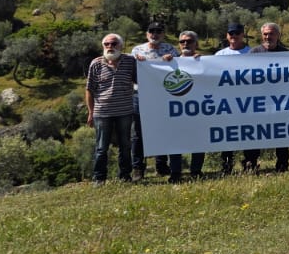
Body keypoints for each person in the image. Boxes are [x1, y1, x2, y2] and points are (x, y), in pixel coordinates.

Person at [86, 33, 138, 184]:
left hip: (125, 111)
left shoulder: (130, 61)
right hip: (102, 113)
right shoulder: (95, 63)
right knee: (101, 148)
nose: (110, 47)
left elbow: (140, 78)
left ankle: (125, 176)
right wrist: (90, 112)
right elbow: (89, 89)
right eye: (107, 44)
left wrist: (143, 62)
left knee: (125, 145)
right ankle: (99, 178)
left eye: (114, 44)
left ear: (121, 46)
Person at [130, 21, 179, 181]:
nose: (155, 34)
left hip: (164, 96)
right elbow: (129, 70)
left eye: (158, 31)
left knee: (164, 129)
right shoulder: (137, 50)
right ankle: (138, 168)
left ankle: (161, 165)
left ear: (163, 34)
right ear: (147, 34)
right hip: (141, 96)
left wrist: (173, 60)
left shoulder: (170, 49)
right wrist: (136, 61)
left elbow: (182, 67)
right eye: (152, 31)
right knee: (138, 133)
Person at [250, 21, 289, 172]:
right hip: (258, 103)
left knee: (281, 134)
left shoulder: (286, 54)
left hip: (280, 103)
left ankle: (282, 165)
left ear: (278, 35)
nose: (268, 36)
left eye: (271, 33)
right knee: (254, 134)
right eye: (265, 34)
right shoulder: (253, 53)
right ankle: (251, 164)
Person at [215, 22, 255, 172]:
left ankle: (250, 163)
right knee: (227, 135)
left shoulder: (252, 53)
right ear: (227, 36)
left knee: (249, 134)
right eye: (231, 33)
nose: (234, 36)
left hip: (248, 102)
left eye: (237, 33)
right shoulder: (219, 55)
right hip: (227, 103)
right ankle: (226, 164)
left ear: (242, 35)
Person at [175, 31, 213, 179]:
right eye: (182, 42)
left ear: (196, 44)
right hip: (176, 110)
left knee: (199, 140)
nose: (186, 44)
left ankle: (196, 171)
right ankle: (175, 172)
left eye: (189, 41)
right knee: (175, 141)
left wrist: (203, 60)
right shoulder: (171, 62)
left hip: (199, 109)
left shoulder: (204, 61)